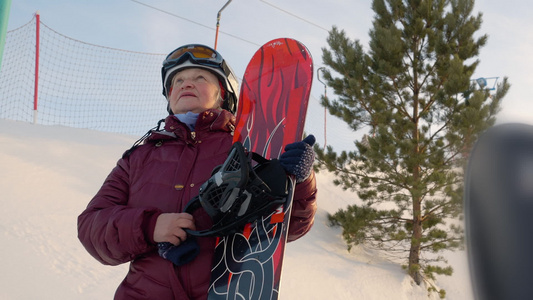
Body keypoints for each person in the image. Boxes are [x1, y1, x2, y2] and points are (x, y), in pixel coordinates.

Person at [77, 44, 317, 300]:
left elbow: (290, 227)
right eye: (178, 80)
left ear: (223, 93)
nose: (185, 84)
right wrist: (150, 226)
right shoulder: (137, 159)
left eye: (199, 77)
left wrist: (299, 181)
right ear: (169, 97)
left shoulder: (248, 150)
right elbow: (92, 227)